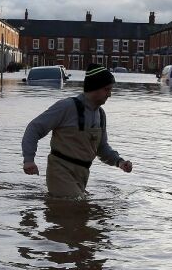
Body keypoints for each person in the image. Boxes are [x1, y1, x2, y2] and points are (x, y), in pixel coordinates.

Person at [22, 64, 133, 197]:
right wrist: (29, 159)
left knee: (82, 213)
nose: (110, 94)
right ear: (94, 87)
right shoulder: (67, 107)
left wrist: (120, 162)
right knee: (73, 210)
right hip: (60, 173)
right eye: (106, 89)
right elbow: (34, 128)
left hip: (82, 175)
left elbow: (102, 148)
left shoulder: (101, 115)